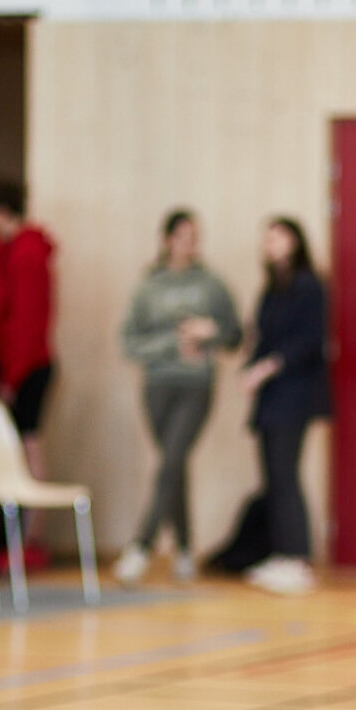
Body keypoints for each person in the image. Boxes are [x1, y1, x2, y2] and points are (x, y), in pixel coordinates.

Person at [117, 209, 242, 585]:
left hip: (196, 385)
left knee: (171, 460)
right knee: (173, 467)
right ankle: (185, 549)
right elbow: (129, 343)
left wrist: (210, 332)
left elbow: (234, 334)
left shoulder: (212, 285)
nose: (190, 243)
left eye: (195, 237)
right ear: (167, 240)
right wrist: (172, 343)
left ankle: (142, 545)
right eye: (183, 236)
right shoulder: (148, 288)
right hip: (158, 386)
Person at [239, 216, 330, 596]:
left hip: (294, 393)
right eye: (267, 237)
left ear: (295, 241)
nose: (270, 243)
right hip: (271, 396)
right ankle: (280, 553)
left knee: (286, 474)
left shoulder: (308, 285)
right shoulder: (271, 288)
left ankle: (298, 557)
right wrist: (249, 369)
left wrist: (267, 367)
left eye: (278, 237)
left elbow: (308, 340)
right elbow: (260, 336)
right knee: (273, 477)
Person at [0, 177, 57, 569]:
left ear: (0, 210)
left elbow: (28, 322)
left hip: (28, 367)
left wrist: (13, 376)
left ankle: (31, 536)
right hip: (15, 366)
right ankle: (21, 537)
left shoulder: (26, 253)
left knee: (29, 446)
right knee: (22, 448)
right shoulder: (9, 250)